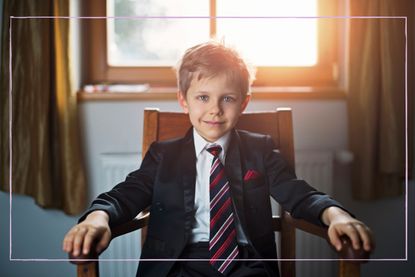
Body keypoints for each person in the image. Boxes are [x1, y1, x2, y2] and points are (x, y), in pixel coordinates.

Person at [63, 41, 374, 277]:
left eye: (227, 98)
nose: (214, 109)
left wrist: (336, 215)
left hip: (246, 263)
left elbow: (299, 194)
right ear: (183, 100)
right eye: (203, 97)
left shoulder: (260, 150)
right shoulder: (163, 155)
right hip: (179, 264)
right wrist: (97, 218)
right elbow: (125, 196)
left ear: (244, 103)